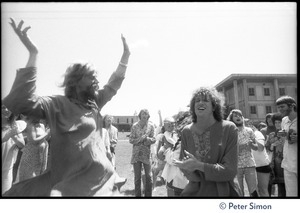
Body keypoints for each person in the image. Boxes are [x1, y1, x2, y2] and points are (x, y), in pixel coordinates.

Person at [3, 17, 130, 196]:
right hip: (69, 184)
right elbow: (23, 100)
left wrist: (126, 56)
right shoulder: (56, 105)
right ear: (76, 81)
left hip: (99, 180)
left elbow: (113, 84)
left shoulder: (92, 104)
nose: (96, 79)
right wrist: (33, 53)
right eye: (91, 76)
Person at [173, 87, 241, 197]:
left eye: (205, 100)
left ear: (214, 106)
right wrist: (187, 168)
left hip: (224, 193)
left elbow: (230, 171)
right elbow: (186, 170)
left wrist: (198, 165)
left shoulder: (229, 128)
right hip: (194, 193)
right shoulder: (186, 131)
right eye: (197, 100)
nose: (200, 103)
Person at [227, 109, 259, 197]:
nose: (238, 117)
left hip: (250, 164)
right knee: (238, 193)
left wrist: (251, 145)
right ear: (231, 119)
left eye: (240, 115)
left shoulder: (249, 130)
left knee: (253, 191)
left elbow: (256, 148)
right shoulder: (230, 132)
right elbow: (228, 151)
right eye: (235, 116)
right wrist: (240, 147)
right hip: (236, 166)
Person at [158, 116, 188, 196]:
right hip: (174, 171)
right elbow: (164, 146)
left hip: (176, 174)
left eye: (173, 125)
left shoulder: (178, 138)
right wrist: (163, 150)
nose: (171, 127)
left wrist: (167, 148)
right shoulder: (166, 135)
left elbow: (172, 158)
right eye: (169, 125)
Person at [129, 109, 156, 197]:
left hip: (147, 155)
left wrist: (148, 140)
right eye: (143, 114)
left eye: (146, 114)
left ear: (148, 116)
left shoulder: (151, 126)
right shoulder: (134, 126)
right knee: (137, 178)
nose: (145, 116)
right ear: (139, 116)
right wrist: (140, 139)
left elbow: (154, 139)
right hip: (136, 155)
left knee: (149, 177)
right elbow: (131, 140)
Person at [16, 116, 50, 182]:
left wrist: (49, 133)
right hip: (32, 154)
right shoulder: (30, 125)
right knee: (29, 177)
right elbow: (34, 140)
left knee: (39, 175)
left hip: (41, 153)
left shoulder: (42, 125)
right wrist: (46, 133)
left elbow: (45, 138)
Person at [275, 96, 297, 197]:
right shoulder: (284, 120)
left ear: (292, 106)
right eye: (278, 107)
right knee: (291, 195)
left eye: (282, 106)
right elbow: (285, 137)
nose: (280, 109)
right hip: (288, 164)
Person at [2, 106, 26, 194]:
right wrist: (8, 135)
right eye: (3, 107)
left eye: (9, 108)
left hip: (7, 169)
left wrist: (14, 136)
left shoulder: (15, 125)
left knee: (5, 193)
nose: (7, 110)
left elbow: (22, 145)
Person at [247, 120, 271, 197]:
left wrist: (252, 138)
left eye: (248, 124)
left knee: (263, 191)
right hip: (249, 166)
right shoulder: (241, 134)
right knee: (253, 192)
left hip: (262, 165)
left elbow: (260, 148)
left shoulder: (258, 133)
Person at [102, 115, 127, 188]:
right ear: (104, 120)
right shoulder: (101, 129)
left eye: (110, 118)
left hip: (111, 151)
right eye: (108, 118)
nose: (109, 119)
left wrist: (109, 142)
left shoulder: (114, 129)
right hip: (101, 151)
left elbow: (115, 141)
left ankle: (113, 184)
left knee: (112, 167)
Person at [265, 113, 286, 197]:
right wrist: (272, 145)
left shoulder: (286, 134)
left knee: (284, 187)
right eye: (276, 122)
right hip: (273, 165)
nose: (277, 124)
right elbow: (267, 149)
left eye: (279, 122)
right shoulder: (272, 135)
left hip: (285, 164)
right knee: (271, 185)